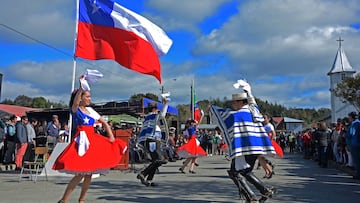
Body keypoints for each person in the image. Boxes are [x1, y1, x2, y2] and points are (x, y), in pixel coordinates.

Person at [54, 76, 127, 203]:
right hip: (82, 141)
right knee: (80, 173)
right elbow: (75, 103)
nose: (89, 98)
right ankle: (64, 200)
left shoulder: (91, 110)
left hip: (93, 139)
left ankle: (82, 199)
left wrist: (110, 136)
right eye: (87, 96)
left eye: (89, 96)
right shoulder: (75, 110)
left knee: (89, 173)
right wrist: (82, 86)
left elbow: (104, 123)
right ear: (81, 97)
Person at [211, 80, 276, 203]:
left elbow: (223, 117)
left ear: (241, 102)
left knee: (235, 172)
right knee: (245, 171)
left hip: (244, 148)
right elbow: (253, 102)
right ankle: (264, 191)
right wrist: (248, 91)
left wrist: (213, 109)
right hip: (255, 147)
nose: (233, 104)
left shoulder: (236, 115)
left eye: (234, 102)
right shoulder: (253, 111)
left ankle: (252, 197)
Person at [136, 97, 169, 187]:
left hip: (148, 140)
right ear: (155, 109)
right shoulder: (155, 116)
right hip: (154, 139)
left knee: (156, 161)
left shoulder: (147, 118)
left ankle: (149, 180)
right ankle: (143, 173)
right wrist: (165, 104)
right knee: (160, 160)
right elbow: (163, 114)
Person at [346, 112, 360, 179]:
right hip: (357, 143)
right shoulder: (358, 122)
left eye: (349, 117)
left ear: (351, 117)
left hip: (354, 143)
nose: (348, 118)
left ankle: (358, 174)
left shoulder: (353, 124)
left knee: (356, 160)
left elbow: (351, 134)